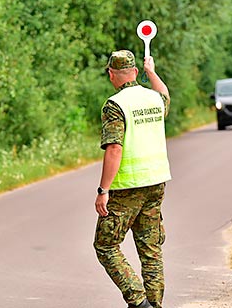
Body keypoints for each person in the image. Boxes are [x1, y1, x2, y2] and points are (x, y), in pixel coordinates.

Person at [94, 50, 171, 308]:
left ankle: (138, 301)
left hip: (128, 187)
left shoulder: (115, 105)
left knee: (105, 245)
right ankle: (155, 304)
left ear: (111, 74)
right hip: (156, 182)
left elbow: (114, 148)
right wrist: (152, 71)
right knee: (150, 250)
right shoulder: (153, 100)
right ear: (135, 72)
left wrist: (103, 189)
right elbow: (166, 97)